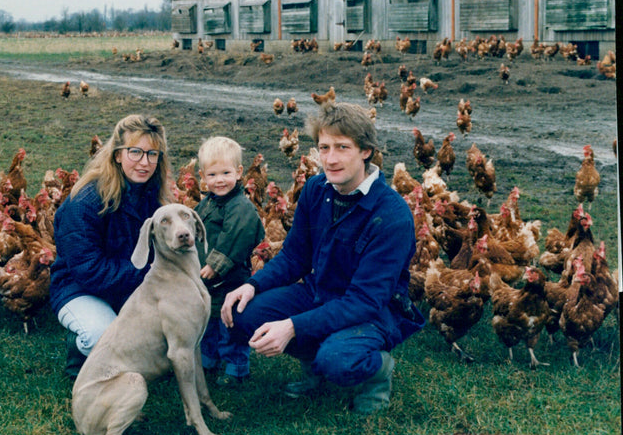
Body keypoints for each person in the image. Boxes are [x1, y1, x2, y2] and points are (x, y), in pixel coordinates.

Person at [221, 102, 425, 414]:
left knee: (338, 359)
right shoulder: (317, 189)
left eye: (342, 147)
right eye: (324, 147)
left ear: (366, 151)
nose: (330, 159)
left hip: (375, 310)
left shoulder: (391, 215)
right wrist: (253, 286)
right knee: (245, 313)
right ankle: (315, 365)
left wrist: (292, 326)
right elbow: (294, 257)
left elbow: (365, 300)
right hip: (321, 292)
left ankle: (377, 370)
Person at [49, 114, 173, 379]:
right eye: (135, 152)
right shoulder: (85, 201)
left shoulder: (153, 196)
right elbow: (88, 270)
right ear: (117, 154)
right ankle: (79, 352)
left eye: (153, 154)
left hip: (129, 284)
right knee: (102, 336)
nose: (145, 162)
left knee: (161, 343)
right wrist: (146, 275)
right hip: (79, 288)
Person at [194, 136, 265, 386]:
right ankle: (207, 360)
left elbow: (236, 235)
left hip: (231, 280)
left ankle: (236, 368)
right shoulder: (208, 203)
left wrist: (216, 264)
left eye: (226, 172)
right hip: (208, 282)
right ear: (203, 176)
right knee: (209, 321)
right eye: (212, 174)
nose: (219, 180)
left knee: (230, 324)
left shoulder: (240, 207)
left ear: (239, 172)